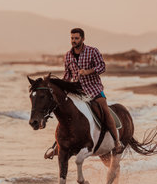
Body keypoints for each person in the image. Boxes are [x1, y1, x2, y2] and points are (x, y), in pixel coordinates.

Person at [45, 28, 122, 159]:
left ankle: (117, 142)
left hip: (94, 89)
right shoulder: (68, 55)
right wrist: (62, 86)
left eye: (76, 38)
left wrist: (88, 71)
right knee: (66, 113)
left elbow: (102, 67)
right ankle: (56, 146)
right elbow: (67, 75)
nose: (73, 41)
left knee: (104, 110)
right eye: (72, 38)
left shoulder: (92, 51)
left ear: (83, 39)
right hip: (77, 90)